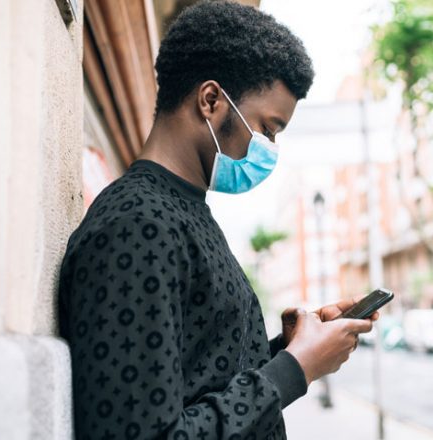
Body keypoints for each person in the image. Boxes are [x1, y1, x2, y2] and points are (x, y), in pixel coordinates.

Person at [57, 2, 376, 439]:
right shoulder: (137, 226)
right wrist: (293, 370)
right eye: (268, 129)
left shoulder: (184, 211)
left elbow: (196, 377)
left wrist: (286, 349)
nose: (270, 148)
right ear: (210, 101)